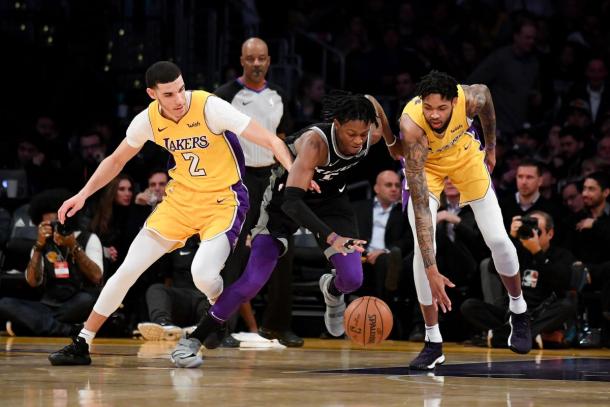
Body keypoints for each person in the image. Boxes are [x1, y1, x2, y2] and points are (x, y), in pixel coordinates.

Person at [47, 60, 293, 366]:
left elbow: (271, 140)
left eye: (180, 90)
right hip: (179, 202)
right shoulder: (147, 121)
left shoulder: (208, 106)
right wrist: (83, 195)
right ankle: (82, 342)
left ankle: (216, 315)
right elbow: (115, 160)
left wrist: (295, 171)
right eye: (169, 95)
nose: (178, 100)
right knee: (127, 269)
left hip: (223, 200)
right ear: (152, 94)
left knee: (202, 274)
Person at [169, 91, 400, 368]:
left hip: (331, 204)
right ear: (337, 124)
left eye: (363, 134)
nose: (358, 141)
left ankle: (333, 289)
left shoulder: (367, 136)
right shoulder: (315, 144)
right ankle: (193, 340)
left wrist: (391, 141)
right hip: (284, 203)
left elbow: (373, 105)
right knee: (252, 281)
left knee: (352, 279)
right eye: (351, 134)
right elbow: (293, 203)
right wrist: (332, 238)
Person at [398, 71, 531, 370]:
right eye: (428, 107)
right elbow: (421, 209)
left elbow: (488, 107)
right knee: (422, 252)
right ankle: (433, 342)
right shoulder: (412, 126)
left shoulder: (472, 97)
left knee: (498, 239)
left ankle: (519, 309)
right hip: (426, 168)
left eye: (441, 108)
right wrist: (433, 270)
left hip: (465, 157)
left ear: (455, 102)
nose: (434, 114)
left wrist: (492, 147)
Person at [214, 37, 302, 347]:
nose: (256, 63)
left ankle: (278, 326)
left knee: (282, 250)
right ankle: (221, 327)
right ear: (241, 59)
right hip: (238, 179)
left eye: (261, 58)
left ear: (268, 61)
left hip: (272, 177)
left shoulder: (279, 94)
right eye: (250, 58)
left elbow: (283, 137)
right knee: (232, 254)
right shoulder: (225, 95)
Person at [461, 211, 578, 349]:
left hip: (541, 313)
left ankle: (501, 337)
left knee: (568, 305)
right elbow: (493, 267)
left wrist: (537, 253)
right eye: (529, 230)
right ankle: (533, 337)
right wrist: (510, 239)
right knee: (469, 306)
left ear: (550, 234)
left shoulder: (562, 255)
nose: (532, 234)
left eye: (537, 231)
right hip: (512, 312)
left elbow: (561, 282)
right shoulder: (517, 249)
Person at [0, 189, 103, 337]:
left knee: (88, 300)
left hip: (77, 302)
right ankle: (72, 330)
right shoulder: (40, 245)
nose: (54, 228)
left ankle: (30, 325)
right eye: (47, 224)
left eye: (56, 223)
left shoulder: (88, 238)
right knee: (5, 304)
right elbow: (33, 282)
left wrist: (73, 246)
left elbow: (97, 276)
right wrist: (38, 247)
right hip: (48, 304)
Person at [137, 236, 209, 341]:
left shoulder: (220, 242)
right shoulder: (178, 243)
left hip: (205, 298)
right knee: (156, 289)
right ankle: (164, 326)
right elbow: (168, 278)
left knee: (225, 298)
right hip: (181, 296)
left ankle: (203, 328)